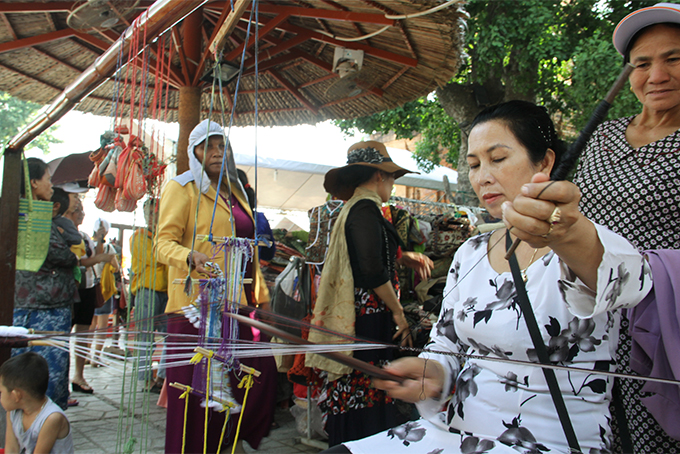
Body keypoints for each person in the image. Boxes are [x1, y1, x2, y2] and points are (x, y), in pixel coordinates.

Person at [321, 101, 653, 454]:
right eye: (475, 164)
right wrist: (432, 372)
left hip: (550, 442)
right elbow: (446, 344)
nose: (482, 177)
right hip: (457, 434)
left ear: (545, 162)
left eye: (498, 159)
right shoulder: (471, 252)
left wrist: (570, 235)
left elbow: (631, 282)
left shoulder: (589, 244)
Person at [573, 3, 680, 452]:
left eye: (674, 58)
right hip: (586, 320)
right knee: (590, 431)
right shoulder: (603, 134)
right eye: (642, 63)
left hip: (661, 327)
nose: (656, 74)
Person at [156, 119, 277, 453]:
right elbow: (161, 244)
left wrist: (261, 299)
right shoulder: (181, 188)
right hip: (194, 309)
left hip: (238, 306)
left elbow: (249, 249)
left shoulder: (237, 190)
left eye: (222, 145)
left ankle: (228, 444)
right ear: (193, 151)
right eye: (208, 146)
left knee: (254, 378)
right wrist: (188, 256)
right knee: (196, 397)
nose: (216, 152)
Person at [307, 141, 433, 446]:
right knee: (362, 392)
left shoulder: (363, 209)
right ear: (379, 176)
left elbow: (372, 253)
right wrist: (398, 311)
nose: (392, 184)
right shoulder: (364, 210)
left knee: (368, 390)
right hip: (366, 319)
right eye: (391, 177)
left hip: (367, 318)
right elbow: (372, 269)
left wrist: (403, 257)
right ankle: (360, 445)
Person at [14, 157, 78, 411]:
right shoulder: (33, 217)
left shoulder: (15, 212)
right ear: (33, 182)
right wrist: (72, 256)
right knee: (45, 373)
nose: (51, 185)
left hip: (24, 304)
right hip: (45, 308)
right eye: (48, 179)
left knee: (20, 374)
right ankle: (42, 431)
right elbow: (60, 255)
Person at [62, 197, 116, 393]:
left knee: (83, 333)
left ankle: (78, 375)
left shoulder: (84, 236)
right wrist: (100, 258)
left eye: (82, 211)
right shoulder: (62, 234)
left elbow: (93, 256)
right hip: (69, 291)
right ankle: (62, 378)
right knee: (64, 334)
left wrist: (100, 239)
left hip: (87, 289)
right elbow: (78, 261)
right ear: (67, 213)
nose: (82, 214)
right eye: (78, 210)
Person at [130, 197, 169, 393]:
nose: (154, 217)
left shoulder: (165, 235)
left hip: (166, 291)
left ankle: (161, 376)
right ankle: (146, 380)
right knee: (145, 337)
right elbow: (156, 258)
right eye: (150, 213)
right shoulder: (140, 236)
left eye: (157, 212)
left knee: (172, 335)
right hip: (147, 290)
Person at [0, 352, 74, 454]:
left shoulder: (52, 418)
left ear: (16, 395)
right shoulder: (12, 412)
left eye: (1, 392)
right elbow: (11, 450)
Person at [90, 218, 121, 366]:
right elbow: (116, 267)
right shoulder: (108, 248)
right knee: (102, 326)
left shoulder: (88, 245)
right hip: (103, 289)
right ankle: (95, 357)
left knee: (90, 325)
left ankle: (83, 357)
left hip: (90, 286)